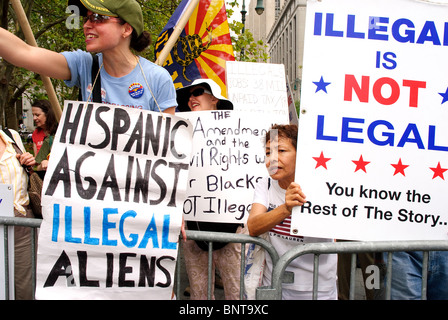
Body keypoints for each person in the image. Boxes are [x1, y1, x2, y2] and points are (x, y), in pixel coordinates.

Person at [0, 0, 177, 113]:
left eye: (98, 18)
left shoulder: (157, 78)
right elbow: (23, 52)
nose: (86, 25)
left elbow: (165, 150)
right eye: (87, 18)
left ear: (126, 29)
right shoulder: (83, 66)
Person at [247, 124, 338, 300]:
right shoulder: (264, 185)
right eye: (268, 153)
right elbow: (253, 226)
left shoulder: (323, 186)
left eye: (281, 151)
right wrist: (286, 209)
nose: (272, 159)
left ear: (301, 154)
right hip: (274, 284)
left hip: (318, 289)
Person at [176, 78, 242, 300]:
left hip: (231, 227)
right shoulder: (181, 134)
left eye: (197, 92)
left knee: (236, 291)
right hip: (192, 226)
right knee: (199, 294)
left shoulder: (238, 133)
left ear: (214, 98)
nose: (191, 98)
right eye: (189, 95)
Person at [0, 129, 37, 299]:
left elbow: (24, 174)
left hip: (22, 226)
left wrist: (28, 162)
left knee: (25, 288)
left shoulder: (11, 136)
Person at [31, 100, 58, 177]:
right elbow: (36, 160)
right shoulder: (36, 133)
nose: (34, 118)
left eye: (37, 115)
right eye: (33, 115)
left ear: (47, 114)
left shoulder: (59, 130)